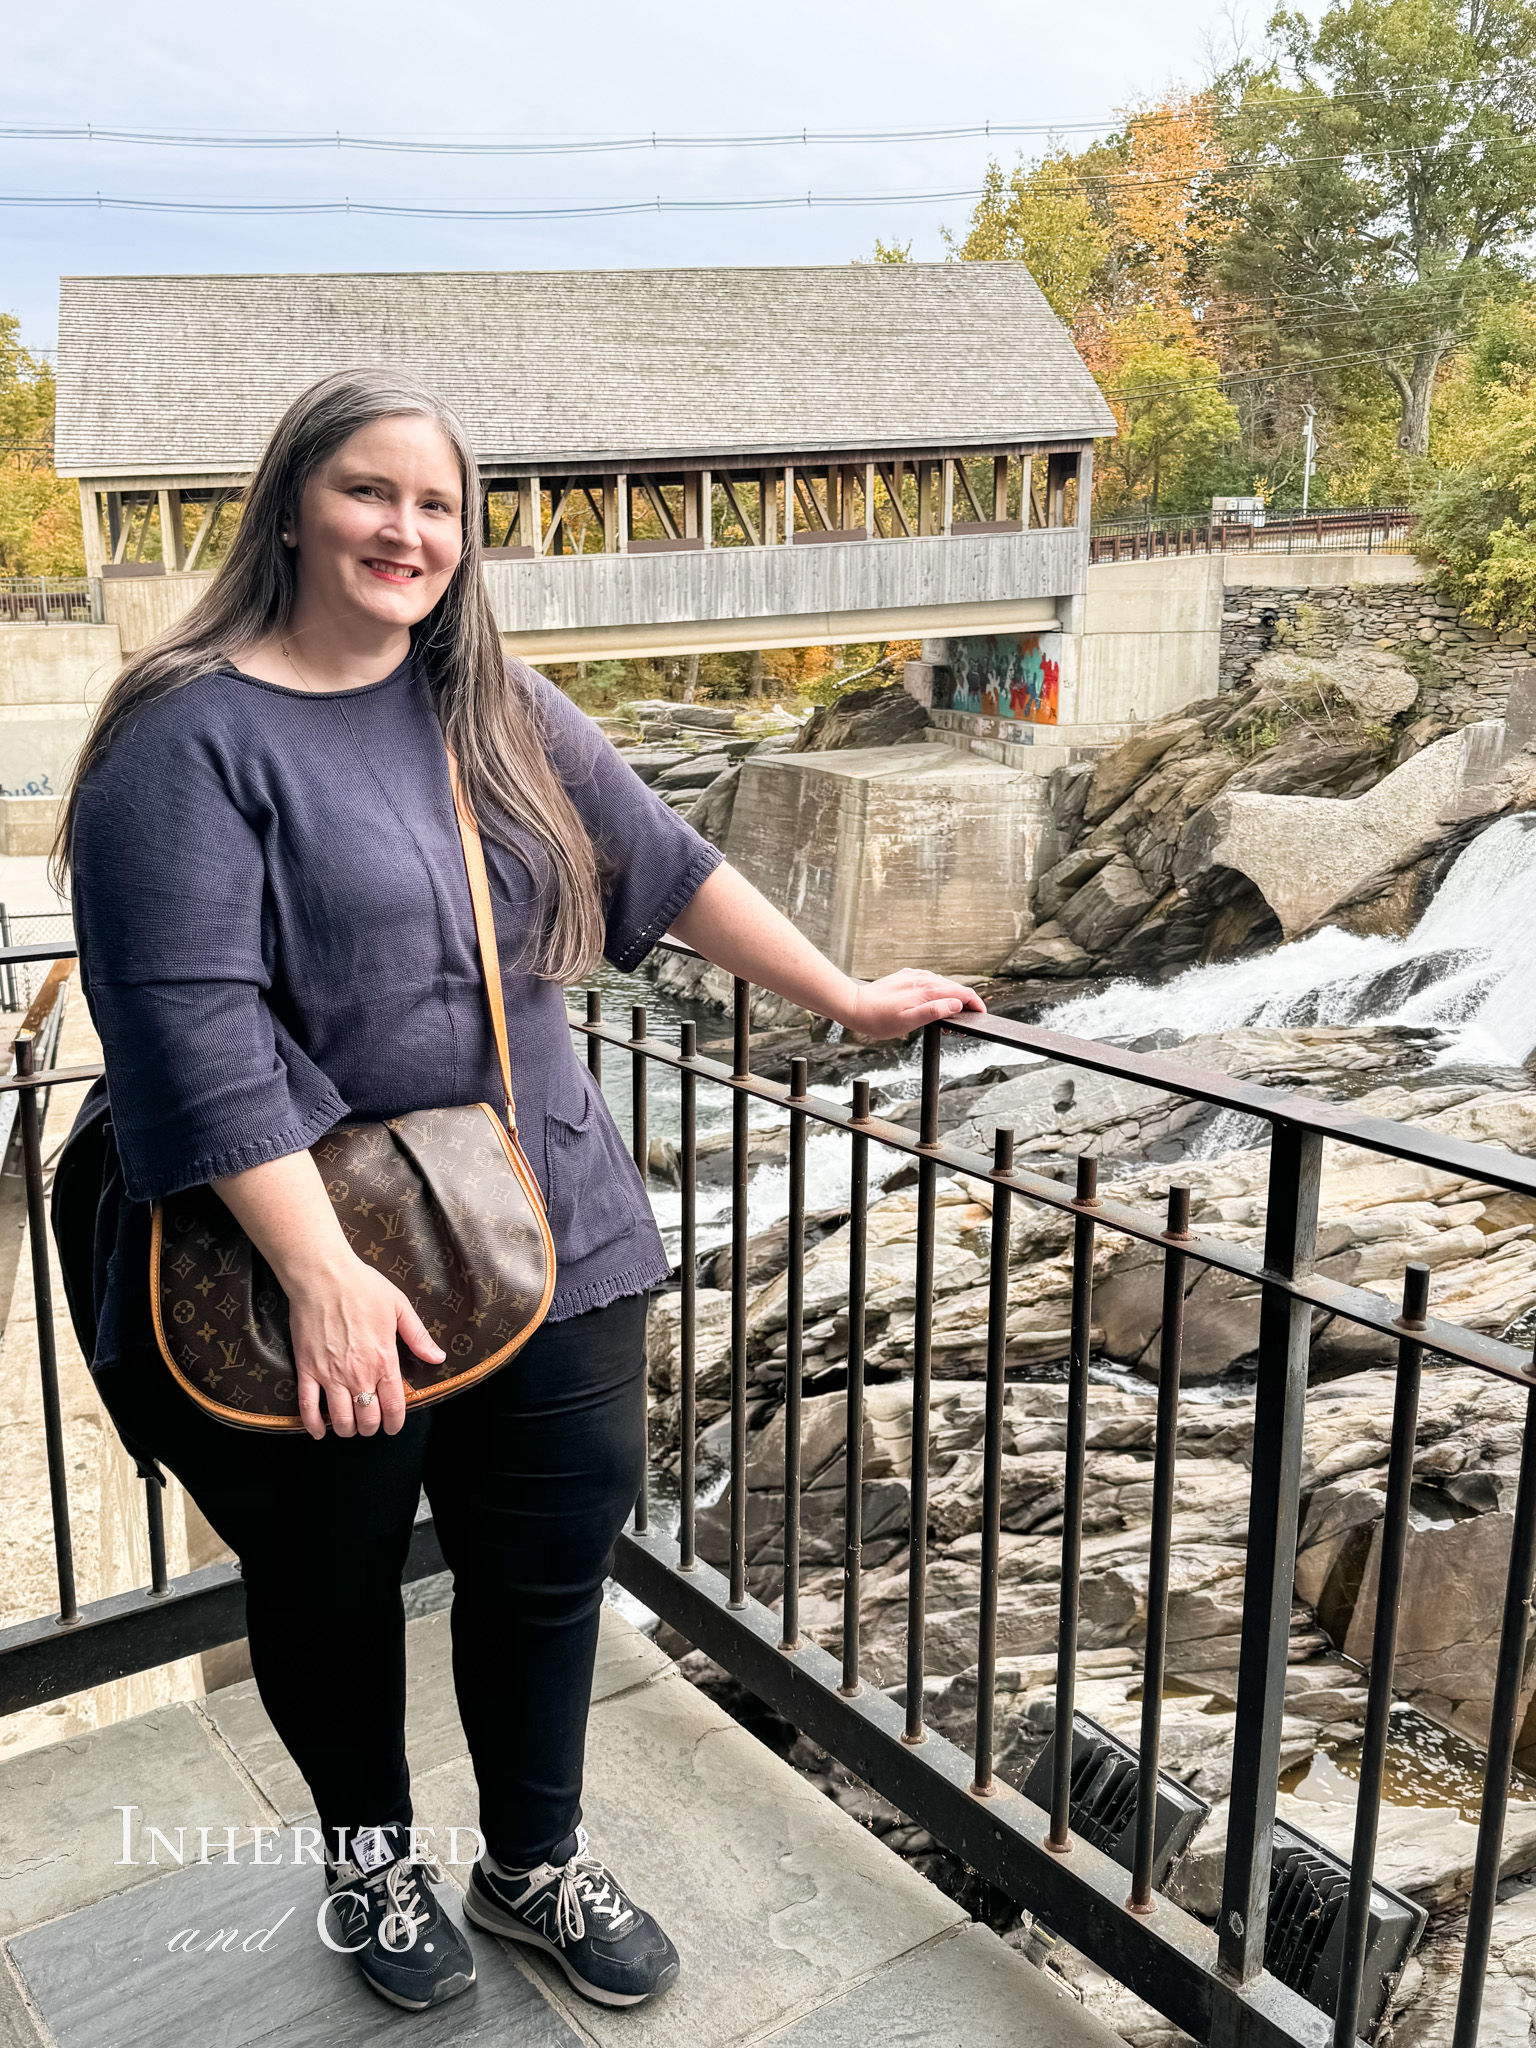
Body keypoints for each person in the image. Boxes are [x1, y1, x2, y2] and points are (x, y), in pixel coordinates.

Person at [54, 369, 985, 2017]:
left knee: (551, 1553)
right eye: (368, 492)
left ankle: (530, 1861)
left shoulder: (490, 699)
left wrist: (841, 995)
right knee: (331, 1575)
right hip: (315, 1240)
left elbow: (663, 861)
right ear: (290, 504)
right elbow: (185, 1031)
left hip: (547, 1206)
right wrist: (327, 1274)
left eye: (437, 505)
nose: (405, 530)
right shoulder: (183, 735)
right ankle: (369, 1859)